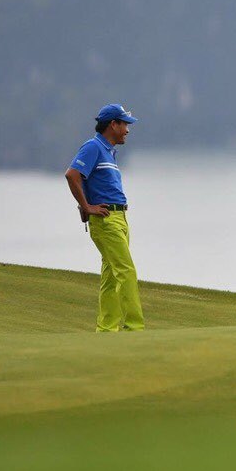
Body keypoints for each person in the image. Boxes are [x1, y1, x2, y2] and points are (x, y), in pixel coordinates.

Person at [64, 103, 145, 332]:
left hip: (118, 217)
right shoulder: (93, 147)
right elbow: (72, 175)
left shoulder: (108, 151)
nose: (128, 130)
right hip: (106, 219)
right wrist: (86, 206)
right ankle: (134, 327)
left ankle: (107, 329)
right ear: (113, 124)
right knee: (126, 271)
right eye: (125, 124)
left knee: (111, 276)